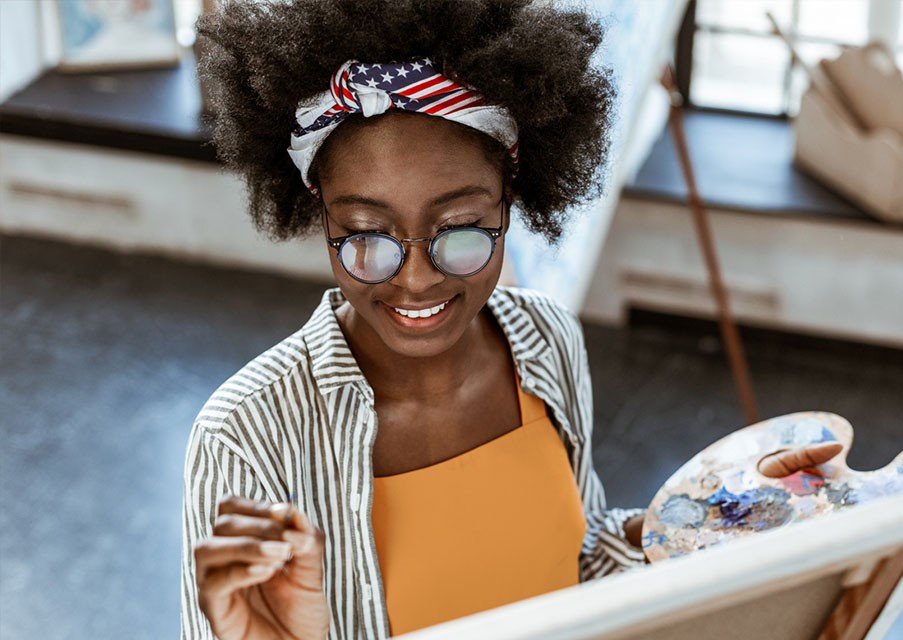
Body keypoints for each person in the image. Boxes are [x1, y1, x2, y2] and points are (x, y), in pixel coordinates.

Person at [181, 2, 837, 639]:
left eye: (462, 230)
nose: (416, 278)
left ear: (510, 198)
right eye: (367, 235)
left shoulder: (546, 342)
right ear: (320, 210)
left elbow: (576, 567)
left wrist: (696, 519)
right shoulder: (245, 435)